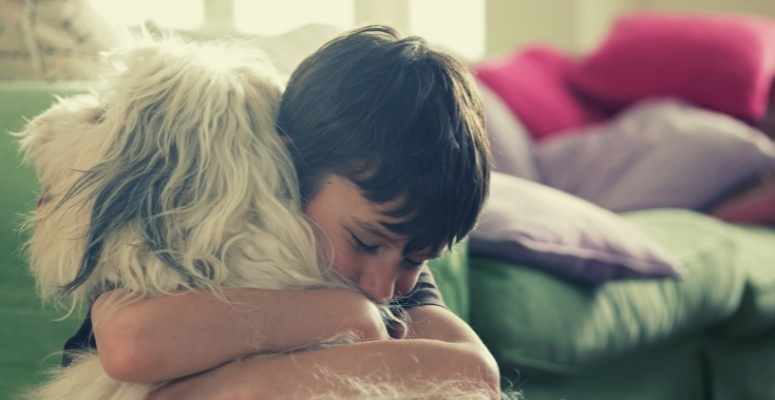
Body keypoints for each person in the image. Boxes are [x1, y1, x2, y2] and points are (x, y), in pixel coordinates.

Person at [69, 25, 498, 399]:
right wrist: (346, 316)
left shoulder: (388, 251)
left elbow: (475, 376)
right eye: (365, 242)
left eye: (416, 259)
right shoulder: (202, 226)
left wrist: (233, 389)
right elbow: (129, 345)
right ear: (290, 170)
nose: (383, 289)